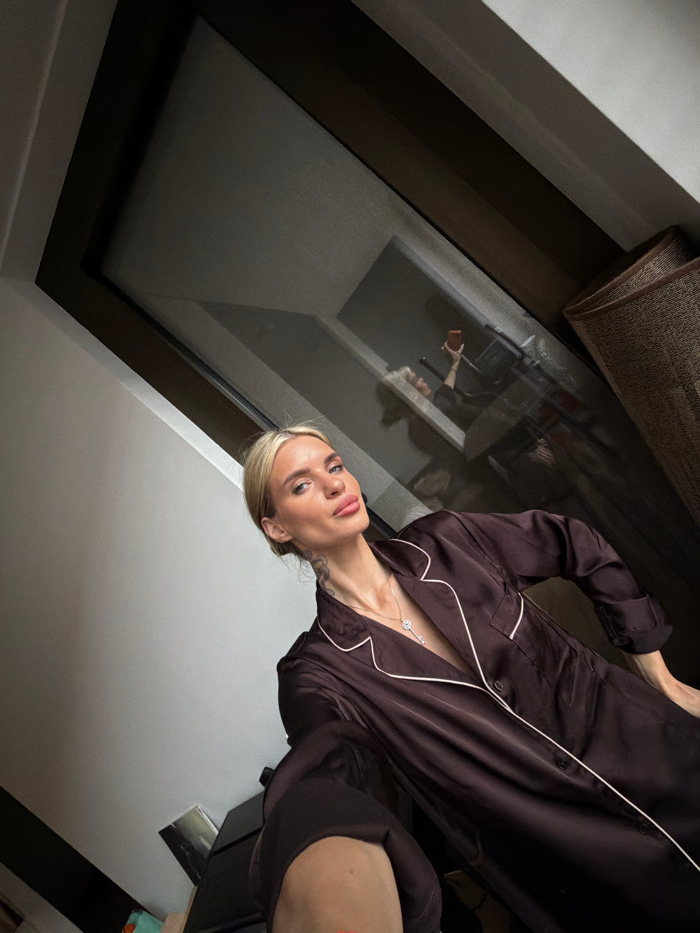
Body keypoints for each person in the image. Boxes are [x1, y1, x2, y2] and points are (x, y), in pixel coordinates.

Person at [242, 423, 700, 933]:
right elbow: (329, 775)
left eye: (334, 466)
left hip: (660, 752)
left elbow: (573, 541)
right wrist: (326, 871)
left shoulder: (449, 541)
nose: (334, 484)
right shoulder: (319, 672)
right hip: (581, 862)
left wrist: (658, 675)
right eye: (302, 484)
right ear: (276, 528)